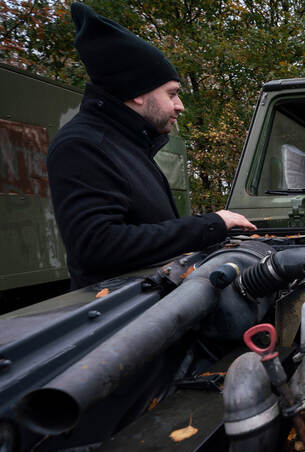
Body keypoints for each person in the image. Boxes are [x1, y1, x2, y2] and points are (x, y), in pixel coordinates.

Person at [47, 3, 256, 289]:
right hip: (118, 309)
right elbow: (97, 245)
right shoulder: (83, 146)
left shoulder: (129, 145)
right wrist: (209, 225)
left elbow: (147, 230)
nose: (179, 106)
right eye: (172, 94)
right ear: (137, 92)